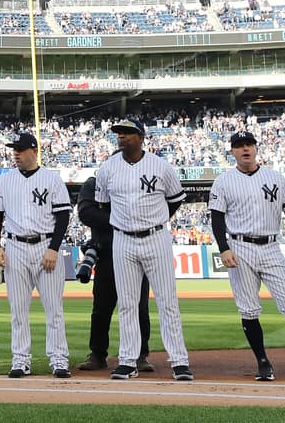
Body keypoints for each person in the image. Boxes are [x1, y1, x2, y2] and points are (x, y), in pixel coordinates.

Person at [208, 130, 285, 383]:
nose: (245, 149)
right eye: (239, 145)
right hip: (240, 246)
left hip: (271, 246)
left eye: (249, 144)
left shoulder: (274, 177)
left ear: (256, 148)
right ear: (232, 151)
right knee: (249, 309)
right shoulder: (223, 181)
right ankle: (263, 362)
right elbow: (217, 217)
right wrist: (224, 248)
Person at [95, 118, 192, 381]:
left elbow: (175, 201)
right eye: (119, 133)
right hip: (123, 240)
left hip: (156, 237)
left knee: (167, 301)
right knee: (127, 303)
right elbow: (102, 204)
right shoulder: (107, 168)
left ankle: (179, 361)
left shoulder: (161, 167)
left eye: (127, 132)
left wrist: (155, 221)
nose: (121, 137)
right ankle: (127, 361)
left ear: (141, 137)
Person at [0, 132, 71, 379]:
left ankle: (59, 360)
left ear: (33, 151)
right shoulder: (4, 180)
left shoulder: (52, 179)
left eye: (21, 149)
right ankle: (20, 360)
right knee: (18, 309)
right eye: (14, 149)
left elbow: (64, 215)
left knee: (54, 308)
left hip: (44, 244)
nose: (16, 153)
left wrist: (54, 248)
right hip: (15, 247)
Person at [77, 173, 152, 373]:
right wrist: (122, 217)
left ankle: (140, 354)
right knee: (101, 307)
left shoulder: (134, 182)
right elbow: (85, 213)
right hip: (107, 253)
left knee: (139, 308)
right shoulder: (93, 184)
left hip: (137, 253)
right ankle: (97, 354)